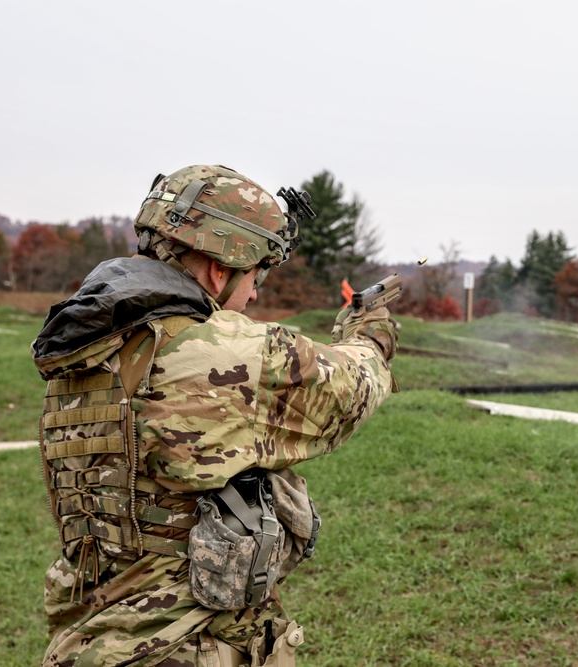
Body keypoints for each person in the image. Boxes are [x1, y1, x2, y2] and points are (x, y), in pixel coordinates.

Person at [30, 164, 398, 666]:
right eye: (255, 276)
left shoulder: (83, 352)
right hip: (183, 647)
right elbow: (353, 388)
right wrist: (369, 333)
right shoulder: (222, 350)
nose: (254, 295)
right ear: (219, 270)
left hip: (88, 643)